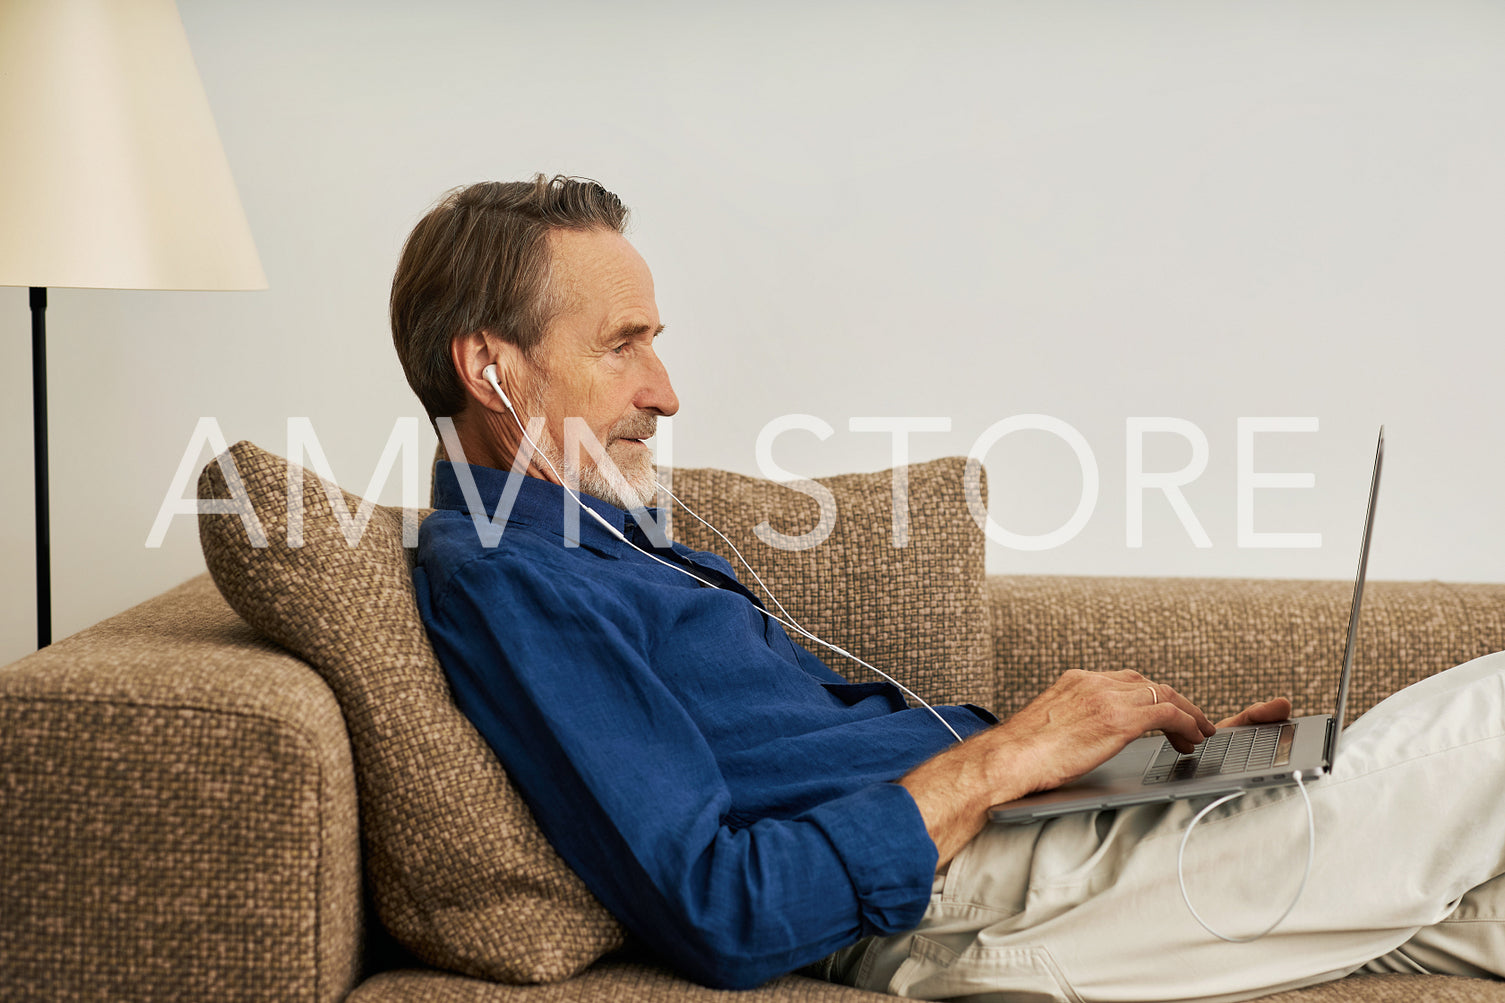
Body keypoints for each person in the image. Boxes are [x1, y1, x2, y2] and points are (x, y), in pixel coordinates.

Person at [393, 175, 1505, 1002]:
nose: (666, 390)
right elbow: (725, 910)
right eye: (622, 346)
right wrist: (1014, 753)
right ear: (491, 368)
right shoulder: (508, 578)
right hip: (969, 893)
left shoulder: (617, 537)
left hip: (1030, 844)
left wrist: (1133, 773)